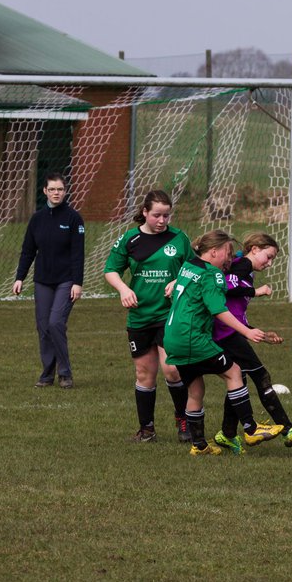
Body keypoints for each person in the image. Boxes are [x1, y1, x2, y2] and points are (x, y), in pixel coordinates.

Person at [163, 230, 282, 456]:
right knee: (235, 373)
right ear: (214, 251)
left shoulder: (188, 265)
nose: (230, 259)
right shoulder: (213, 275)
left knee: (196, 389)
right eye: (228, 253)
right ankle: (251, 428)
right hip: (193, 338)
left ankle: (198, 445)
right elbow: (219, 310)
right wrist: (246, 331)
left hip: (172, 338)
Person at [103, 189, 194, 443]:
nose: (163, 221)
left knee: (172, 370)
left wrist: (178, 281)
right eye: (157, 215)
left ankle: (183, 421)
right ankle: (147, 429)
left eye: (167, 215)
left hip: (170, 315)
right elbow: (111, 270)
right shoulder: (130, 239)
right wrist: (123, 288)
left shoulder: (179, 238)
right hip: (140, 316)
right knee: (144, 374)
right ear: (144, 212)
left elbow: (196, 267)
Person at [213, 232, 292, 451]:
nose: (269, 263)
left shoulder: (245, 270)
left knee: (238, 378)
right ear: (255, 249)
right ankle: (288, 429)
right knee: (261, 375)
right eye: (268, 256)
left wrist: (255, 332)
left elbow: (235, 309)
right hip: (226, 333)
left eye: (272, 260)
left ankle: (227, 433)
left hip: (232, 331)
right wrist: (256, 291)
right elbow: (225, 286)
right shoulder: (241, 266)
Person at [13, 175, 84, 389]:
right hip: (42, 281)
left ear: (65, 191)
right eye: (52, 189)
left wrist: (77, 282)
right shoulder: (37, 219)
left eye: (60, 189)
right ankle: (47, 374)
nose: (56, 193)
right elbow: (28, 251)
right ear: (45, 191)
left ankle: (65, 373)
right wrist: (20, 277)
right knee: (43, 328)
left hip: (66, 281)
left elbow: (78, 254)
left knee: (55, 323)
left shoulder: (74, 219)